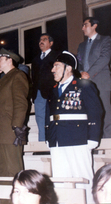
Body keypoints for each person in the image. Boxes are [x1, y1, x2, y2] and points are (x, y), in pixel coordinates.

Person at [46, 51, 103, 203]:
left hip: (78, 139)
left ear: (68, 68)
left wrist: (93, 138)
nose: (53, 70)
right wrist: (49, 136)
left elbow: (96, 112)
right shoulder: (53, 90)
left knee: (83, 178)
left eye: (56, 66)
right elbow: (49, 116)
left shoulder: (84, 86)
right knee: (60, 180)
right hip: (57, 139)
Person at [0, 48, 29, 204]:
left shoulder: (18, 75)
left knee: (13, 171)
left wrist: (17, 127)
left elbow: (20, 102)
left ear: (9, 59)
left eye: (0, 59)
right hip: (1, 131)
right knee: (3, 171)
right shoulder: (4, 78)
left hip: (11, 131)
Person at [77, 17, 111, 138]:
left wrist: (89, 73)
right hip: (86, 84)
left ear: (94, 25)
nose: (82, 28)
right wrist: (81, 72)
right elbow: (79, 63)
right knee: (90, 113)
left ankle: (108, 144)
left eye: (85, 25)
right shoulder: (81, 46)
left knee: (105, 113)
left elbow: (105, 58)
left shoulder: (105, 40)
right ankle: (94, 142)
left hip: (101, 82)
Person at [32, 33, 59, 141]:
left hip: (52, 93)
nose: (41, 42)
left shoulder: (57, 56)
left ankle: (52, 142)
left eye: (44, 39)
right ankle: (42, 144)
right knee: (40, 119)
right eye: (40, 40)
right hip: (38, 94)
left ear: (51, 43)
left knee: (52, 118)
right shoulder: (35, 60)